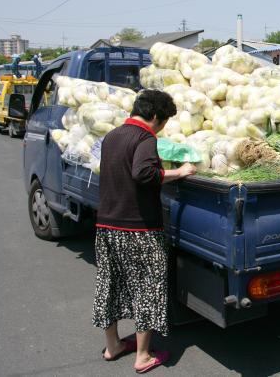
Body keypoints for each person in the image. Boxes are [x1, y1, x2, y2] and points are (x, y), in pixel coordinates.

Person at [92, 89, 196, 373]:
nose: (162, 128)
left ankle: (113, 346)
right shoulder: (145, 138)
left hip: (107, 225)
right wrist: (179, 172)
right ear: (153, 116)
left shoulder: (112, 136)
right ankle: (143, 356)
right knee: (148, 288)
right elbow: (144, 173)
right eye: (163, 122)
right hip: (138, 229)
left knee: (109, 285)